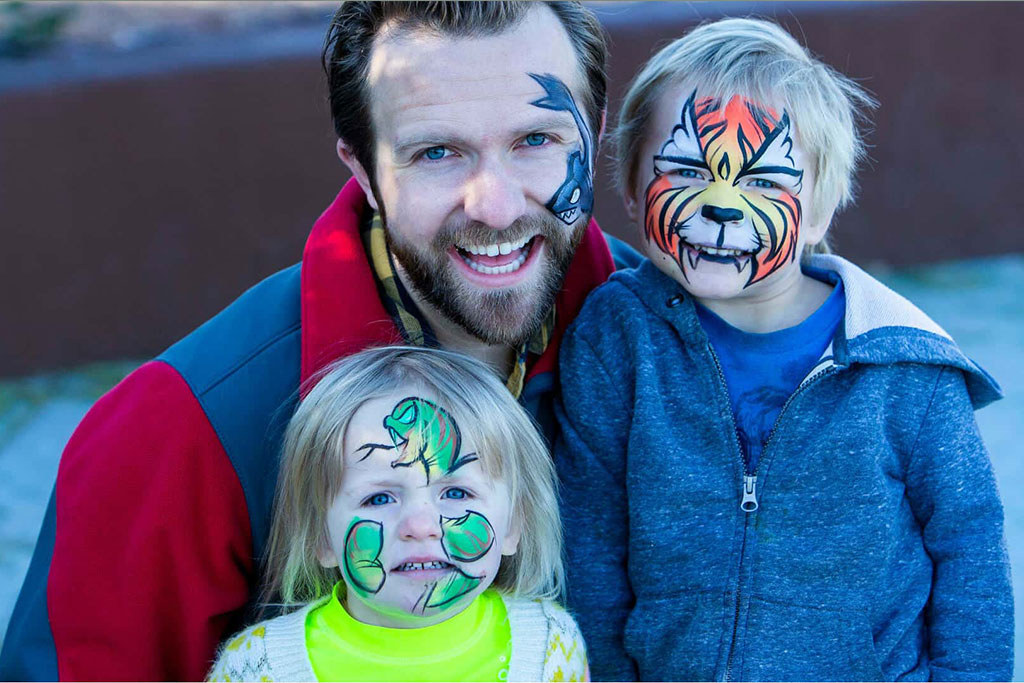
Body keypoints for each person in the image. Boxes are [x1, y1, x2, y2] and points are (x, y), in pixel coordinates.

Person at [1, 3, 638, 680]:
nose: (496, 204)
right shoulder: (182, 425)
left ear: (594, 134)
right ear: (362, 169)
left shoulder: (691, 350)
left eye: (536, 140)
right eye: (437, 152)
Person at [555, 17, 1012, 682]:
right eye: (685, 168)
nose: (722, 204)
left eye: (766, 182)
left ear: (821, 211)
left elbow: (970, 551)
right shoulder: (617, 339)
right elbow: (591, 543)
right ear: (628, 187)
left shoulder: (906, 368)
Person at [206, 346, 588, 681]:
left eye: (456, 492)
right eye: (379, 499)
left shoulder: (552, 648)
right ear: (319, 535)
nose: (420, 527)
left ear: (514, 525)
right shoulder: (257, 668)